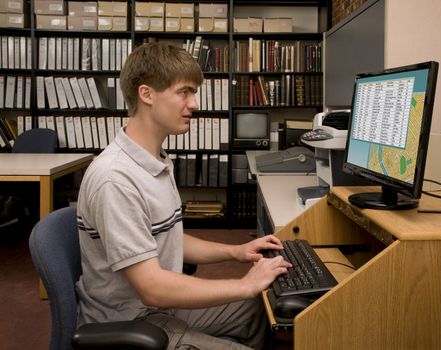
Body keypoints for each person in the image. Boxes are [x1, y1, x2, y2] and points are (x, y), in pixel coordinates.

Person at [75, 41, 291, 350]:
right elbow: (152, 288)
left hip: (159, 308)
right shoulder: (116, 179)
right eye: (184, 92)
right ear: (146, 94)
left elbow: (166, 239)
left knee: (260, 308)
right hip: (133, 321)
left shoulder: (155, 160)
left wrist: (237, 252)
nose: (195, 104)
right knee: (250, 295)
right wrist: (243, 284)